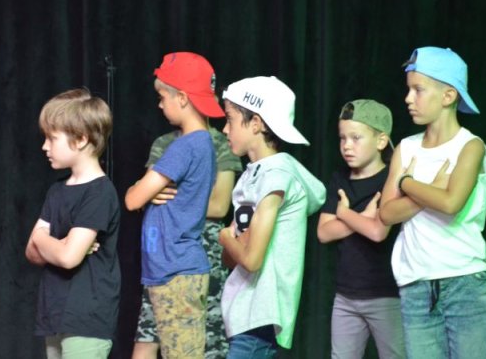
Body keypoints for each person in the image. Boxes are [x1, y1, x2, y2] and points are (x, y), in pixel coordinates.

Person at [380, 46, 486, 358]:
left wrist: (406, 184)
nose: (408, 98)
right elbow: (387, 213)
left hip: (464, 283)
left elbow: (451, 202)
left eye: (418, 90)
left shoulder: (470, 147)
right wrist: (430, 190)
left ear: (448, 96)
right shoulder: (406, 148)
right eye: (408, 90)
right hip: (416, 286)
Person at [125, 52, 225, 358]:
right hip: (172, 270)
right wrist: (149, 191)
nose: (159, 105)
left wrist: (143, 190)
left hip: (176, 271)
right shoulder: (202, 143)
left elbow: (132, 199)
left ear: (182, 98)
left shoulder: (185, 146)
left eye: (162, 97)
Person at [219, 76, 326, 358]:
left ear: (256, 123)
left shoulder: (277, 177)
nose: (225, 128)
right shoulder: (253, 176)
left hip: (260, 315)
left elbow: (251, 259)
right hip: (243, 312)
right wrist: (232, 241)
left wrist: (225, 237)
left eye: (230, 119)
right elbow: (231, 258)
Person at [132, 125, 242, 359]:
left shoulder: (219, 143)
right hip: (162, 254)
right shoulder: (164, 142)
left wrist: (172, 201)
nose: (161, 106)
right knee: (148, 335)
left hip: (202, 251)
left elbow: (219, 206)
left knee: (206, 341)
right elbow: (144, 194)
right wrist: (144, 192)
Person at [25, 89, 120, 359]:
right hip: (54, 313)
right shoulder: (57, 191)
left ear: (80, 139)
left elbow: (68, 257)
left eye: (52, 138)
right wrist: (55, 245)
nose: (44, 146)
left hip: (87, 318)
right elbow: (31, 253)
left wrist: (43, 239)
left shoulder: (100, 193)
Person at [317, 99, 405, 358]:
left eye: (356, 138)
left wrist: (344, 214)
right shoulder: (339, 179)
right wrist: (362, 219)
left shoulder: (390, 180)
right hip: (346, 296)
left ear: (381, 141)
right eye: (342, 138)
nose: (347, 145)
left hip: (386, 295)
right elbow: (323, 233)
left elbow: (378, 232)